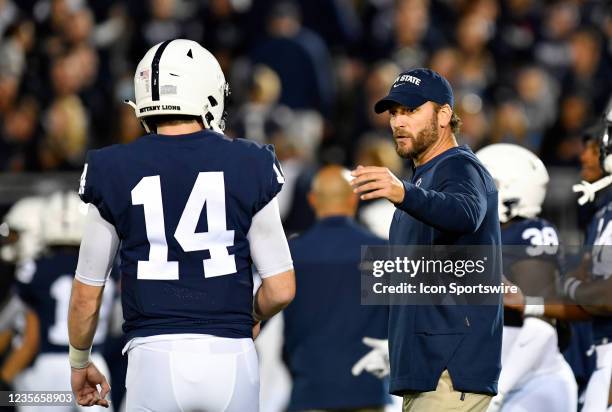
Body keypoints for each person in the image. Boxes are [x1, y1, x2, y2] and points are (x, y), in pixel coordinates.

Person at [67, 39, 295, 411]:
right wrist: (250, 316)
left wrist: (79, 362)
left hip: (152, 355)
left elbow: (86, 296)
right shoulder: (249, 162)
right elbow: (282, 288)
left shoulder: (112, 168)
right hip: (231, 355)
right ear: (207, 93)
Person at [350, 68, 502, 411]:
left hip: (448, 372)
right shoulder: (424, 178)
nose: (398, 122)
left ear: (445, 114)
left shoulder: (459, 166)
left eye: (411, 111)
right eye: (394, 113)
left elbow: (465, 212)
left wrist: (402, 192)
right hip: (430, 373)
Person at [506, 103, 612, 412]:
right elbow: (587, 294)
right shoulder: (603, 212)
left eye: (596, 145)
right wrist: (530, 303)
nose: (585, 155)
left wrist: (586, 289)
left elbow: (604, 296)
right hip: (601, 354)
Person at [476, 144, 577, 412]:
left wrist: (497, 392)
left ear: (511, 190)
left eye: (485, 183)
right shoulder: (479, 238)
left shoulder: (530, 233)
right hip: (496, 382)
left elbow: (541, 328)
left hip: (532, 384)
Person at [283, 165, 389, 412]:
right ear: (354, 198)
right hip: (366, 389)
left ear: (312, 199)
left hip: (310, 390)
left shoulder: (291, 255)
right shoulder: (379, 253)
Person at [15, 191, 115, 412]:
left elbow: (27, 327)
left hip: (48, 365)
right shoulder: (108, 266)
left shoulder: (34, 268)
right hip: (93, 361)